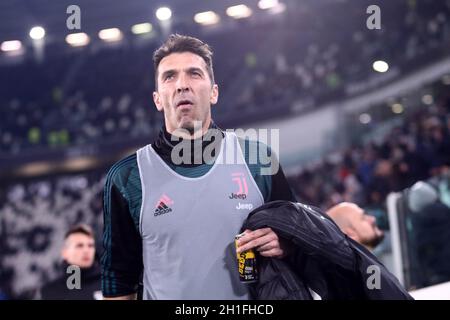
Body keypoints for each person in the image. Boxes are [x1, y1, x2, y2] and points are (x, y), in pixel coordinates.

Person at [101, 34, 296, 300]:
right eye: (169, 77)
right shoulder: (127, 177)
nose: (182, 85)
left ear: (214, 92)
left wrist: (284, 244)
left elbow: (298, 240)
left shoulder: (258, 159)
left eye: (194, 73)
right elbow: (118, 280)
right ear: (157, 99)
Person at [39, 224, 101, 300]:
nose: (86, 250)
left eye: (90, 245)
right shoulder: (50, 291)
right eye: (79, 246)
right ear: (65, 253)